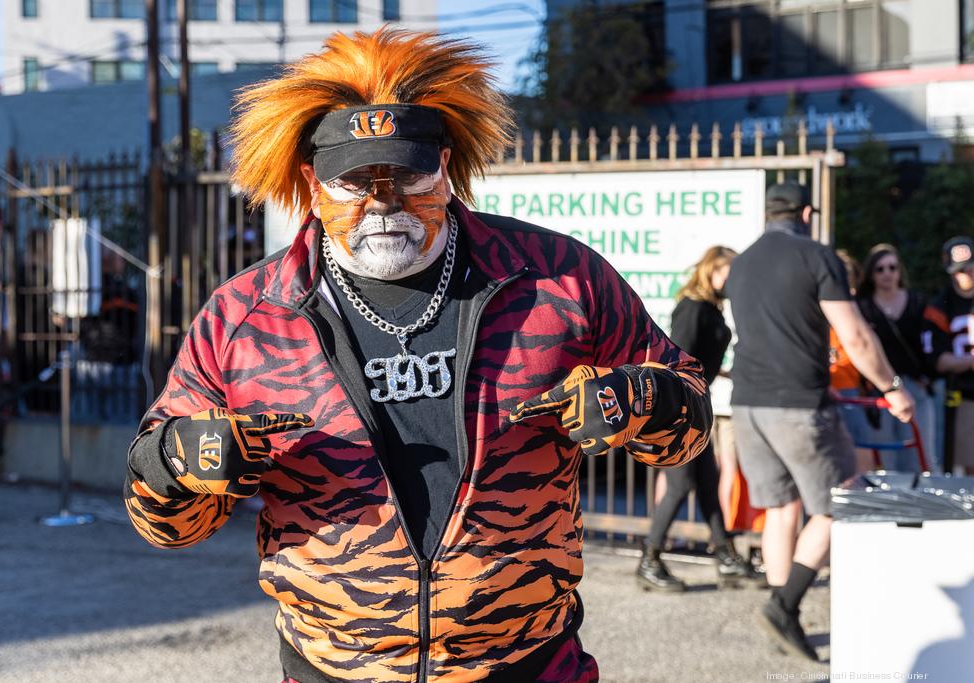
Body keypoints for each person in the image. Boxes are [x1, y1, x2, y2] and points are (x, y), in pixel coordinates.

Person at [123, 29, 712, 683]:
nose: (383, 200)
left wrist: (641, 400)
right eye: (355, 180)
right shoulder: (245, 316)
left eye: (408, 172)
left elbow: (687, 428)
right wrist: (176, 459)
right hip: (332, 669)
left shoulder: (558, 278)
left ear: (447, 164)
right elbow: (166, 526)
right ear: (311, 181)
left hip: (529, 662)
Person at [724, 181, 914, 661]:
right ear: (806, 212)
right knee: (841, 501)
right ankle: (783, 607)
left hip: (747, 402)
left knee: (782, 509)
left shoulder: (742, 262)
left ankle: (779, 613)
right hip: (798, 404)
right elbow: (854, 334)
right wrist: (893, 389)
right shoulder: (816, 256)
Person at [637, 246, 761, 591]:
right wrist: (677, 411)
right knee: (680, 484)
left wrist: (721, 373)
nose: (732, 280)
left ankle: (726, 556)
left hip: (695, 405)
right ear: (710, 271)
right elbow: (677, 358)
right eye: (727, 272)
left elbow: (698, 358)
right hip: (681, 409)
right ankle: (649, 559)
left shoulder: (709, 308)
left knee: (708, 481)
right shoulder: (693, 308)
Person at [856, 244, 941, 472]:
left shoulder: (917, 302)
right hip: (879, 388)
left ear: (899, 271)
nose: (887, 273)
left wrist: (928, 374)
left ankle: (921, 503)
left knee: (921, 452)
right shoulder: (862, 306)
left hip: (914, 385)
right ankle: (890, 504)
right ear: (871, 274)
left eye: (892, 268)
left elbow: (931, 344)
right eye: (880, 269)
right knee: (887, 456)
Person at [929, 236, 974, 474]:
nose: (966, 275)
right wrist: (969, 362)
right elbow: (938, 359)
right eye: (960, 271)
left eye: (969, 268)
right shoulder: (940, 306)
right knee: (966, 462)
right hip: (962, 393)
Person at [829, 250, 875, 472]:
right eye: (847, 285)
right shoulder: (815, 313)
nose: (853, 291)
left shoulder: (856, 312)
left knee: (862, 454)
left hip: (850, 391)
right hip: (829, 391)